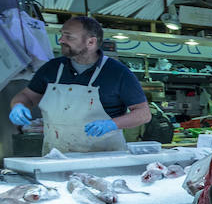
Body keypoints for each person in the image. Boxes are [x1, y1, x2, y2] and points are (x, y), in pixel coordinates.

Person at [8, 15, 151, 153]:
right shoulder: (51, 68)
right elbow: (27, 96)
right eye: (62, 34)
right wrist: (19, 105)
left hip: (103, 157)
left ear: (91, 42)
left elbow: (143, 113)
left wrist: (112, 124)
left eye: (68, 36)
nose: (61, 40)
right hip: (57, 156)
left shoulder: (118, 73)